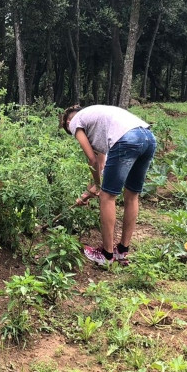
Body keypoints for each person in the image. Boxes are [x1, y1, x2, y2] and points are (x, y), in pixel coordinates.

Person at [60, 104, 157, 267]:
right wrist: (92, 188)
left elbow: (91, 159)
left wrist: (98, 188)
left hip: (127, 140)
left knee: (107, 197)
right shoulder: (96, 119)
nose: (73, 132)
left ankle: (106, 255)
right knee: (132, 195)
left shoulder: (76, 121)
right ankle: (122, 250)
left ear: (70, 123)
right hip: (147, 137)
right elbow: (101, 163)